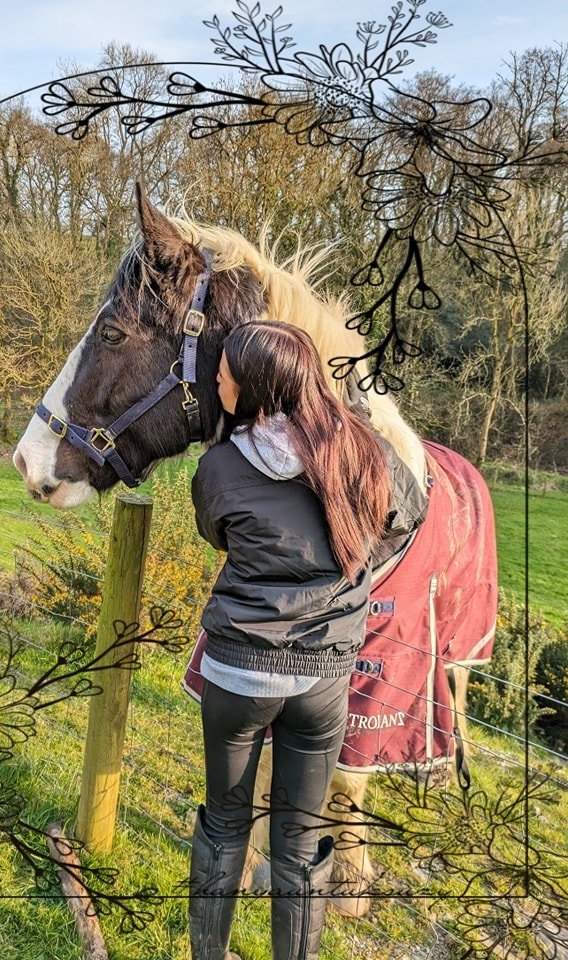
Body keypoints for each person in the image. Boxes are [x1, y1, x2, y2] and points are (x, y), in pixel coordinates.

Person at [187, 320, 428, 960]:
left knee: (224, 822)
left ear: (255, 387)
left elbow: (219, 535)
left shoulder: (218, 467)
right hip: (322, 680)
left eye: (225, 374)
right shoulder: (361, 450)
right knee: (298, 842)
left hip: (239, 675)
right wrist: (354, 556)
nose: (217, 382)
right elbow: (410, 511)